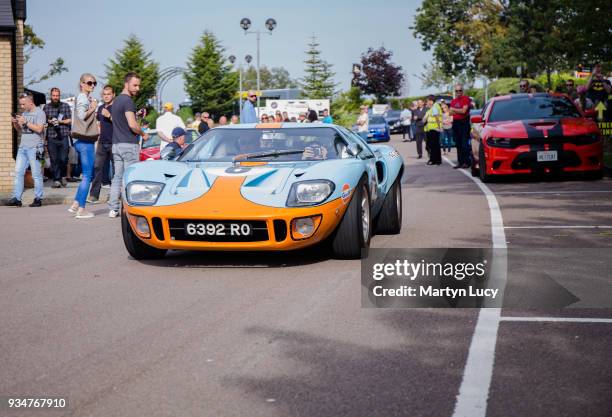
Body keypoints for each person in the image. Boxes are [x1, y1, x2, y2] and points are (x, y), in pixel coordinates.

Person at [108, 72, 149, 218]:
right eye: (135, 85)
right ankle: (129, 209)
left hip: (116, 144)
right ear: (126, 84)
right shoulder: (128, 101)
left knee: (117, 177)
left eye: (138, 85)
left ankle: (113, 209)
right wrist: (143, 133)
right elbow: (132, 124)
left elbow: (120, 121)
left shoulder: (116, 101)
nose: (138, 88)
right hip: (129, 145)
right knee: (131, 178)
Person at [67, 73, 99, 219]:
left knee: (86, 175)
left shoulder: (83, 97)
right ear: (82, 83)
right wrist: (93, 107)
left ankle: (75, 204)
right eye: (89, 82)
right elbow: (81, 115)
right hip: (85, 142)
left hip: (81, 141)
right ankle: (82, 209)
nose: (92, 85)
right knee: (87, 175)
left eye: (94, 83)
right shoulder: (82, 97)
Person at [7, 93, 46, 207]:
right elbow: (20, 130)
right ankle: (17, 198)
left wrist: (26, 122)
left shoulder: (40, 113)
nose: (22, 107)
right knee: (18, 173)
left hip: (35, 148)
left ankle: (38, 199)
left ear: (31, 102)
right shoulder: (24, 113)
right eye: (21, 104)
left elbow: (39, 129)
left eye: (24, 104)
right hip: (23, 147)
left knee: (36, 175)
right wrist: (15, 123)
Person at [88, 85, 114, 204]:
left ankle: (116, 195)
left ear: (113, 95)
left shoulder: (116, 107)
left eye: (108, 94)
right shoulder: (101, 107)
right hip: (102, 142)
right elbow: (97, 122)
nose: (106, 96)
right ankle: (94, 195)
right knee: (97, 167)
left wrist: (110, 116)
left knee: (116, 170)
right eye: (104, 94)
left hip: (115, 142)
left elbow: (121, 123)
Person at [43, 87, 72, 188]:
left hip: (63, 135)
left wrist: (60, 121)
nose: (55, 97)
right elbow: (43, 121)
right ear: (51, 96)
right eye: (54, 95)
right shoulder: (46, 107)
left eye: (57, 95)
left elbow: (69, 120)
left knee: (63, 158)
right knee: (54, 159)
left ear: (59, 96)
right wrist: (49, 122)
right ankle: (57, 179)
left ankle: (63, 176)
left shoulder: (65, 106)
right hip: (51, 136)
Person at [449, 84, 472, 168]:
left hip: (464, 123)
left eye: (460, 90)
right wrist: (458, 110)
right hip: (456, 123)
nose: (458, 92)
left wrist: (454, 110)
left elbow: (463, 111)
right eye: (456, 91)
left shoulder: (466, 99)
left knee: (464, 143)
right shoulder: (453, 101)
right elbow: (450, 113)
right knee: (458, 144)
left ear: (463, 91)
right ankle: (460, 162)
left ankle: (467, 162)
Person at [423, 95, 442, 165]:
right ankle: (437, 160)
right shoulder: (433, 107)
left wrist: (439, 127)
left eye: (427, 101)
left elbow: (437, 117)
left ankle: (434, 160)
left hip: (434, 128)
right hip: (432, 128)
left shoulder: (434, 107)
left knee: (434, 146)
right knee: (435, 145)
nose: (427, 102)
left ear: (431, 101)